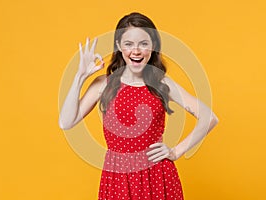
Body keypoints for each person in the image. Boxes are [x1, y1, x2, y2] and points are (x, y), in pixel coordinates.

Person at [59, 12, 219, 200]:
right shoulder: (104, 84)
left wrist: (176, 151)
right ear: (119, 46)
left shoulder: (162, 84)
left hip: (158, 177)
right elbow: (66, 122)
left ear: (153, 46)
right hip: (117, 177)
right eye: (128, 44)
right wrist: (80, 77)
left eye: (144, 43)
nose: (136, 51)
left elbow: (209, 117)